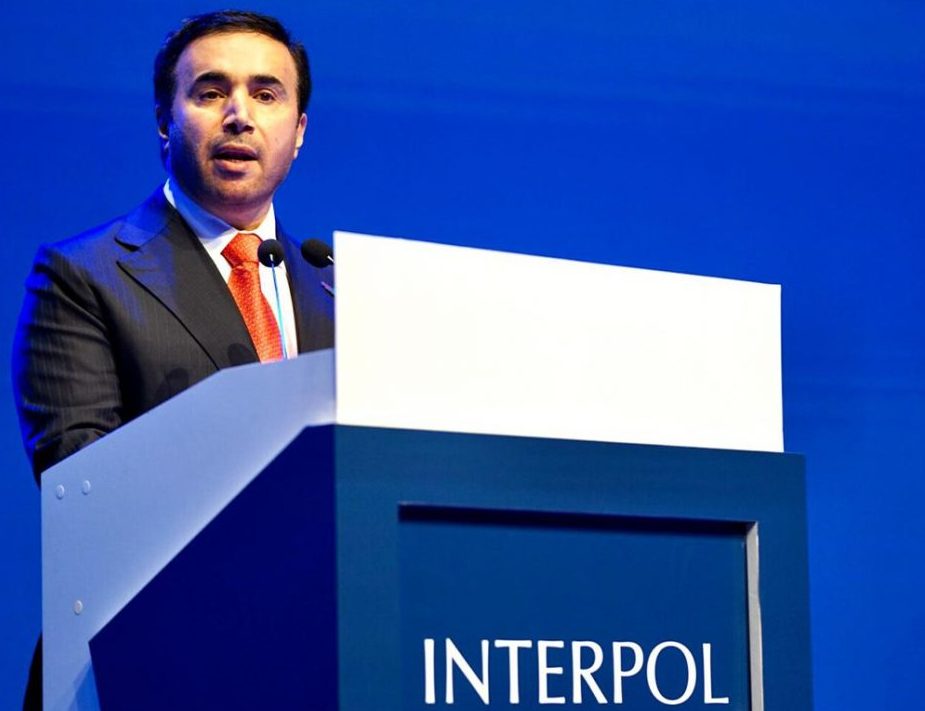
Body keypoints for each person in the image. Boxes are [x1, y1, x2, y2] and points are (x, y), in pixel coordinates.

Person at [12, 11, 334, 709]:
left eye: (266, 93)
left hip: (317, 658)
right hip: (143, 661)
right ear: (165, 120)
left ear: (300, 130)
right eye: (211, 92)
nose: (239, 115)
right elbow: (83, 482)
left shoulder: (337, 291)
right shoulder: (84, 277)